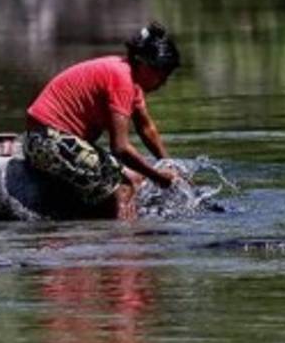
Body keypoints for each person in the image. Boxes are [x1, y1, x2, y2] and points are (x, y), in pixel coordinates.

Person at [23, 22, 181, 219]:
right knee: (124, 186)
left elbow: (146, 127)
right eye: (161, 75)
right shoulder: (122, 79)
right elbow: (120, 148)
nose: (163, 83)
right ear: (144, 65)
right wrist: (159, 177)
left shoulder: (131, 80)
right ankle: (124, 244)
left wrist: (170, 164)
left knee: (136, 177)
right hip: (48, 141)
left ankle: (104, 232)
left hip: (50, 139)